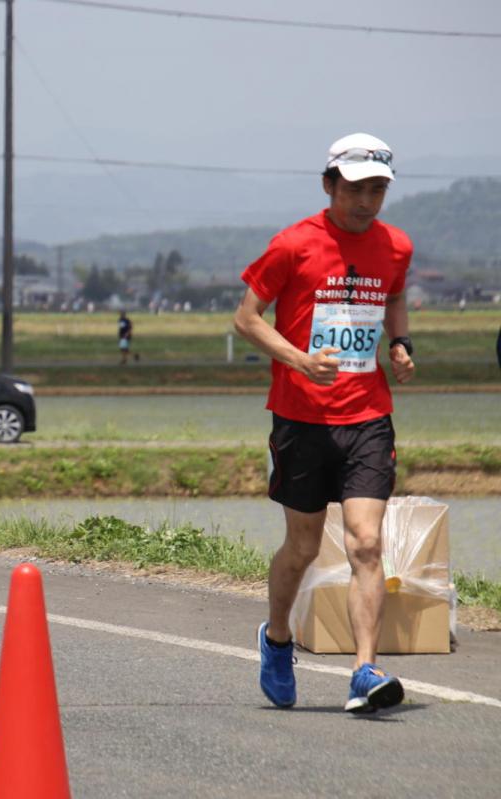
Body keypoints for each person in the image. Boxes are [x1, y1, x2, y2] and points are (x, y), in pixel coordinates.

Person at [234, 133, 415, 713]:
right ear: (329, 184)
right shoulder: (294, 244)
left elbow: (393, 297)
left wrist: (401, 342)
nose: (367, 201)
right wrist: (299, 360)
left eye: (378, 190)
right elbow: (246, 319)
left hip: (368, 415)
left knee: (366, 542)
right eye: (357, 188)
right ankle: (278, 638)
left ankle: (364, 669)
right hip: (300, 418)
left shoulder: (396, 246)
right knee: (303, 547)